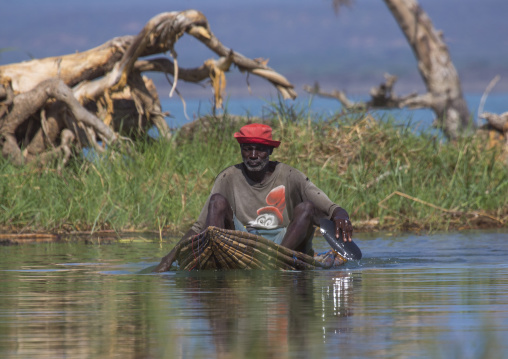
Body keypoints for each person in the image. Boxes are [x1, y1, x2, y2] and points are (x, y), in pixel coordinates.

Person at [181, 123, 353, 256]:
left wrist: (340, 214)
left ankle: (278, 260)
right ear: (241, 150)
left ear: (270, 150)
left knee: (306, 208)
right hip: (244, 241)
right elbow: (199, 227)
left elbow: (328, 207)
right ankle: (214, 258)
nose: (253, 155)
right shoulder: (228, 177)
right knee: (216, 202)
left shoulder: (290, 175)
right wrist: (170, 258)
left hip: (284, 241)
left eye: (260, 150)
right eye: (248, 149)